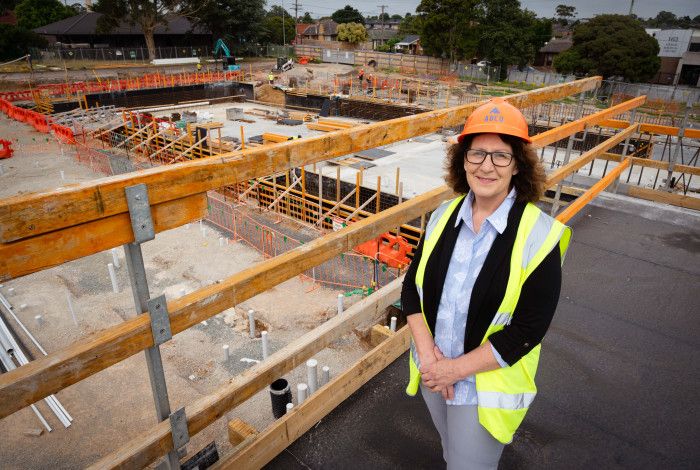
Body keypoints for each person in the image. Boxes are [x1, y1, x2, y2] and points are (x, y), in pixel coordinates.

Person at [402, 98, 572, 469]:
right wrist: (430, 356)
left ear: (517, 166)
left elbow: (528, 329)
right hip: (433, 369)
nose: (487, 166)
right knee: (451, 452)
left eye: (500, 156)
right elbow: (411, 289)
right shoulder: (444, 216)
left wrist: (454, 370)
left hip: (483, 387)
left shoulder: (537, 235)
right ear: (463, 161)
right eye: (477, 154)